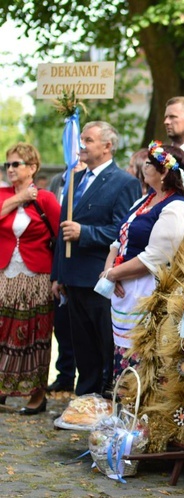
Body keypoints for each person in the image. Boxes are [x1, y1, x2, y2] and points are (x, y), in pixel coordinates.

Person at [51, 121, 142, 396]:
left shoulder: (123, 183)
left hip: (100, 277)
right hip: (73, 275)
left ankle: (106, 393)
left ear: (107, 146)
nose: (81, 146)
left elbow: (122, 229)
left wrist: (85, 232)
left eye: (88, 140)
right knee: (82, 344)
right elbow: (61, 229)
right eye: (81, 140)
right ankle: (85, 395)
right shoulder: (75, 179)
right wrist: (58, 274)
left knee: (104, 342)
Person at [102, 141, 184, 379]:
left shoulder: (175, 208)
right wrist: (110, 269)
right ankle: (124, 406)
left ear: (164, 173)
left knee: (144, 355)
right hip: (125, 289)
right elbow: (118, 239)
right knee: (123, 353)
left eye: (151, 163)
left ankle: (141, 410)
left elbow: (155, 257)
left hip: (147, 292)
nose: (145, 165)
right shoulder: (144, 201)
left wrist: (115, 274)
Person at [0, 143, 60, 413]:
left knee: (35, 335)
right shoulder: (3, 195)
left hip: (37, 277)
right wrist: (20, 197)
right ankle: (3, 387)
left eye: (16, 164)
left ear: (33, 168)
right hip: (5, 276)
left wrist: (59, 277)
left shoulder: (46, 199)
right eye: (7, 165)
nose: (10, 169)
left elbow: (60, 237)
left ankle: (37, 396)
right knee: (3, 333)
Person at [47, 161, 87, 394]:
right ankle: (64, 373)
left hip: (84, 262)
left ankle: (85, 379)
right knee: (62, 325)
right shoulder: (58, 181)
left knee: (82, 328)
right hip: (61, 258)